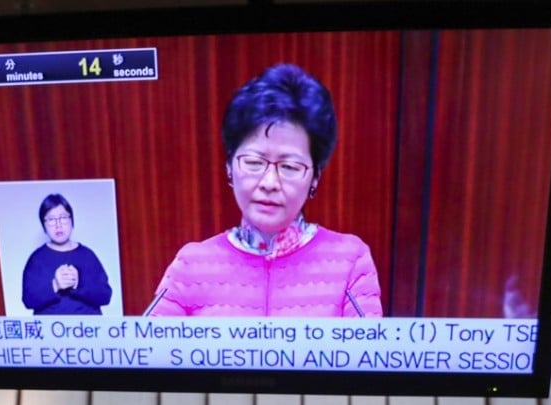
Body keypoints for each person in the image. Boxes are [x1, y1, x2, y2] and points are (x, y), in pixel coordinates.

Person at [148, 63, 382, 318]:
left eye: (290, 166)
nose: (269, 182)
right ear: (229, 167)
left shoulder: (350, 261)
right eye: (254, 163)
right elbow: (146, 354)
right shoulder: (191, 265)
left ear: (315, 176)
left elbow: (367, 356)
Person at [21, 193, 112, 315]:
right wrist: (54, 285)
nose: (58, 225)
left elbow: (105, 296)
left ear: (72, 221)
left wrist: (78, 284)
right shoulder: (36, 259)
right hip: (50, 331)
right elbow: (28, 300)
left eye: (63, 217)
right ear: (44, 225)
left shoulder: (87, 255)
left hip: (88, 330)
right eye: (51, 219)